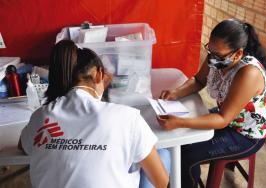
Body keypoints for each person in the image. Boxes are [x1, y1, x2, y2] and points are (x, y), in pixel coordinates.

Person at [19, 40, 169, 188]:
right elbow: (162, 182)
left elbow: (23, 146)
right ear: (98, 75)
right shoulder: (127, 118)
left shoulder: (41, 116)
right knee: (161, 155)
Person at [158, 19, 266, 187]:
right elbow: (199, 80)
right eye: (210, 51)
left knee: (186, 154)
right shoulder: (217, 56)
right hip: (227, 116)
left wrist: (180, 122)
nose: (212, 59)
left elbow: (223, 119)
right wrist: (176, 92)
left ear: (238, 54)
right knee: (182, 141)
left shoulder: (248, 73)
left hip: (246, 134)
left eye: (218, 55)